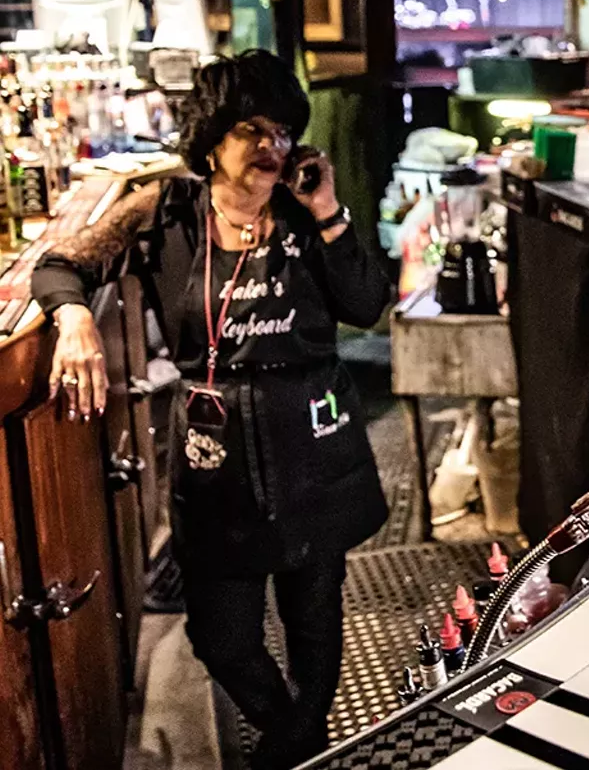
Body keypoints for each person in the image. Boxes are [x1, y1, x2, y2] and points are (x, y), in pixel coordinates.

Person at [31, 51, 390, 769]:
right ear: (211, 137)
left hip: (313, 439)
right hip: (215, 457)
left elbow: (364, 302)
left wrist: (328, 211)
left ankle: (294, 748)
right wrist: (72, 319)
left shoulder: (306, 209)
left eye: (283, 131)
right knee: (221, 633)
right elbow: (60, 264)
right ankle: (297, 735)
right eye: (251, 130)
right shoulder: (165, 211)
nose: (272, 148)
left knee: (314, 618)